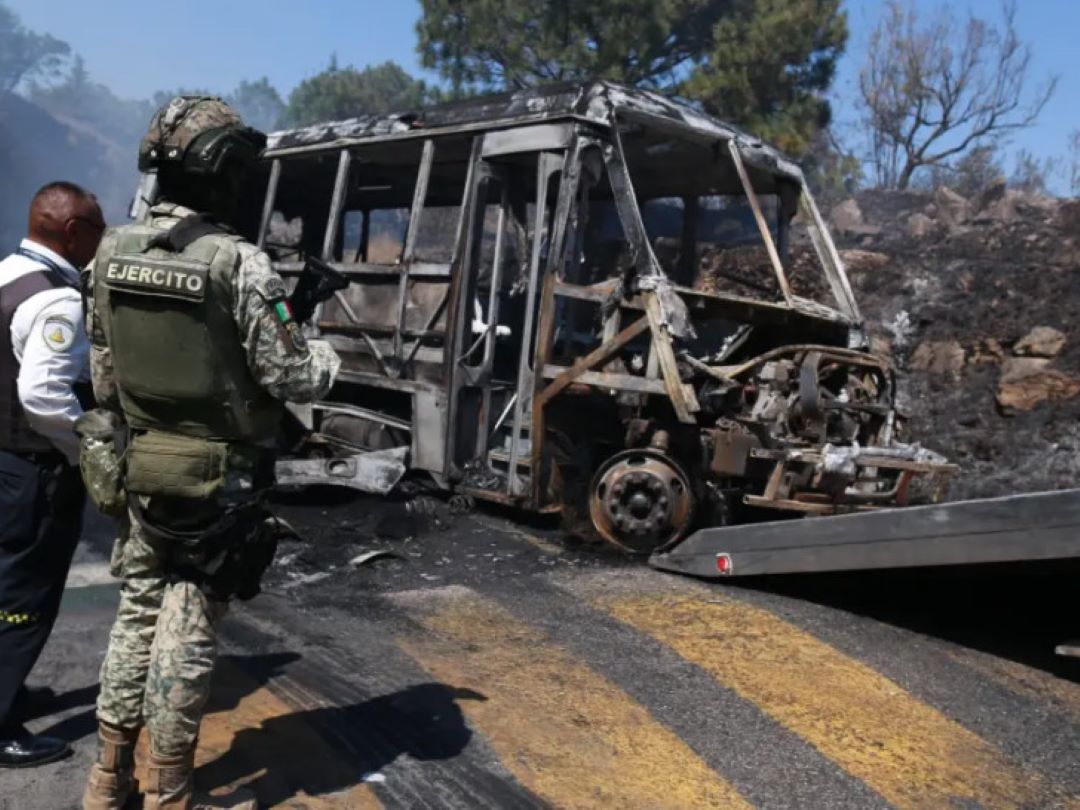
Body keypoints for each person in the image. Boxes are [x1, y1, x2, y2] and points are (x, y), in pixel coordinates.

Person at [81, 96, 340, 810]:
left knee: (136, 614)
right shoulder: (239, 262)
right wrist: (323, 352)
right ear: (223, 174)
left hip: (140, 468)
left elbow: (104, 378)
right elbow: (293, 377)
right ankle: (171, 790)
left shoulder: (110, 250)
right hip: (218, 482)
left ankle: (106, 779)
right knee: (187, 626)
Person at [0, 181, 104, 768]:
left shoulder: (6, 274)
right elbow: (43, 395)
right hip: (33, 470)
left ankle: (9, 689)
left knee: (5, 585)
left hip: (5, 461)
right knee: (24, 598)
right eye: (98, 229)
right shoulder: (57, 299)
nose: (102, 240)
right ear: (72, 232)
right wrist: (82, 447)